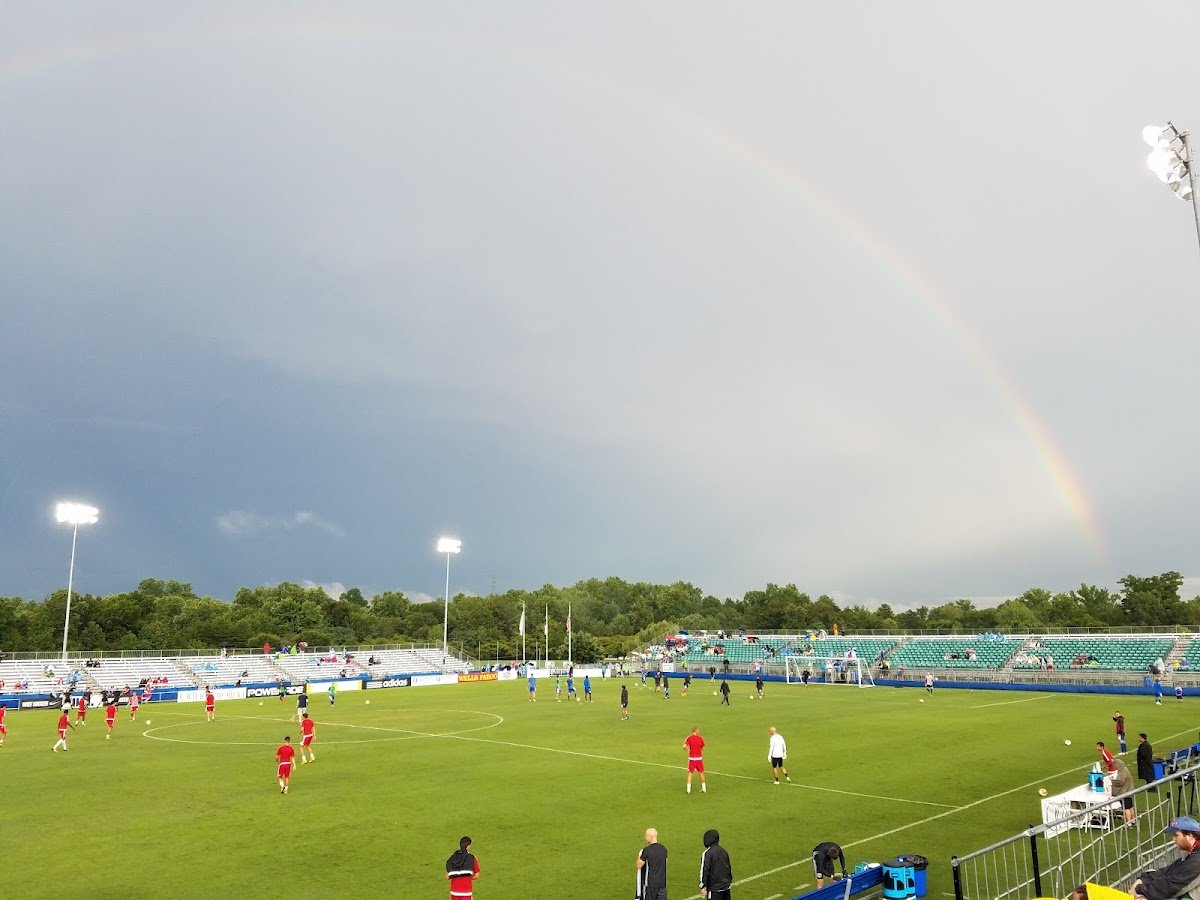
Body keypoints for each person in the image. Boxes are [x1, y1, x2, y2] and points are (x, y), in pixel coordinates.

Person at [1130, 816, 1200, 898]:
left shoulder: (1196, 859)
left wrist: (1139, 889)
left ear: (1190, 836)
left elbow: (1170, 886)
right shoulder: (1194, 852)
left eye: (1176, 835)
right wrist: (1145, 878)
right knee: (1151, 871)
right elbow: (1169, 870)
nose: (1173, 839)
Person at [699, 828, 732, 900]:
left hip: (714, 890)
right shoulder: (723, 851)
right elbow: (728, 868)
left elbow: (705, 870)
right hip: (726, 888)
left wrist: (702, 885)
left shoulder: (707, 853)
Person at [636, 828, 668, 900]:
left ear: (651, 836)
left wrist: (640, 855)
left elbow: (638, 865)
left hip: (650, 885)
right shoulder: (664, 849)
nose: (645, 837)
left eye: (646, 836)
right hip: (662, 884)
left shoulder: (646, 850)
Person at [446, 835, 480, 900]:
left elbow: (447, 876)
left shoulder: (452, 858)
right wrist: (467, 877)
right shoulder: (472, 858)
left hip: (454, 892)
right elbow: (477, 875)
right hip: (466, 892)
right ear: (468, 846)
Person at [1112, 757, 1136, 823]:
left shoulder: (1122, 772)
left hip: (1125, 792)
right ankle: (1133, 820)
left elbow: (1121, 782)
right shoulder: (1126, 769)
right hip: (1130, 791)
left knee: (1126, 808)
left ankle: (1129, 822)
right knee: (1130, 807)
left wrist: (1113, 781)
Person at [684, 726, 707, 794]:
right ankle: (704, 789)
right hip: (699, 759)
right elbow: (703, 748)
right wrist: (700, 751)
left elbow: (684, 746)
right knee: (701, 773)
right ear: (696, 730)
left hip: (692, 759)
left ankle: (688, 790)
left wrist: (687, 750)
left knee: (690, 774)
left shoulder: (689, 738)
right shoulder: (700, 738)